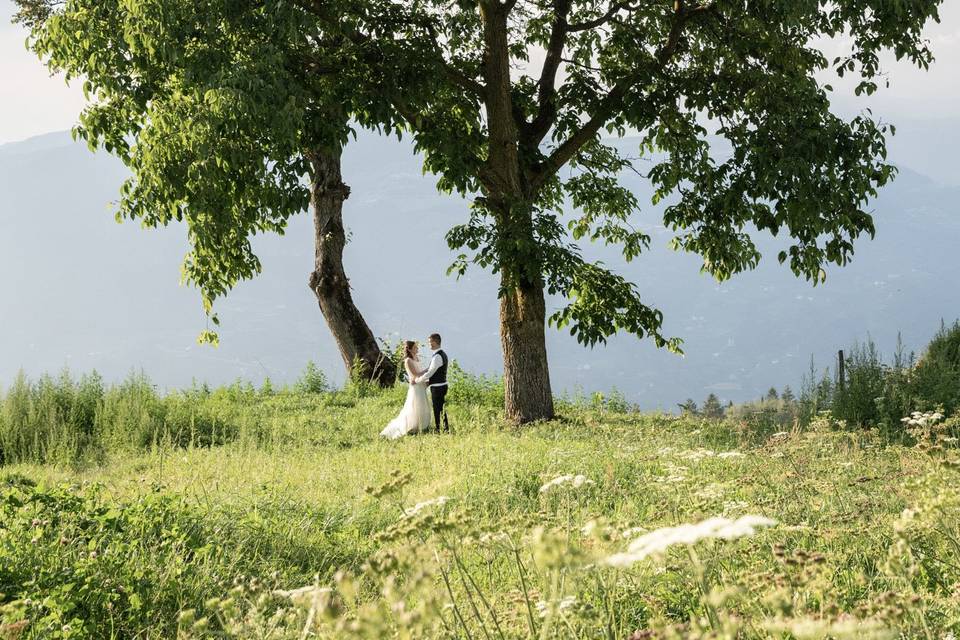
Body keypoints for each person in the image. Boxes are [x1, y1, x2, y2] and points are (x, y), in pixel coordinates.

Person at [379, 341, 432, 439]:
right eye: (415, 347)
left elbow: (419, 374)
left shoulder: (416, 358)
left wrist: (427, 380)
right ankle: (410, 426)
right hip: (415, 387)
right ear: (410, 349)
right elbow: (415, 374)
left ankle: (420, 425)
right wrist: (429, 369)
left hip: (420, 384)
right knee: (414, 406)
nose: (417, 349)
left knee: (422, 405)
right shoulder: (408, 361)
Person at [416, 333, 450, 433]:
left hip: (438, 387)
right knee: (441, 408)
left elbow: (430, 372)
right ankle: (445, 428)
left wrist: (418, 380)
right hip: (441, 385)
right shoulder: (441, 354)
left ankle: (439, 429)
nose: (429, 344)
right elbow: (431, 370)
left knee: (437, 408)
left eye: (430, 342)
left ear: (435, 342)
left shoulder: (437, 356)